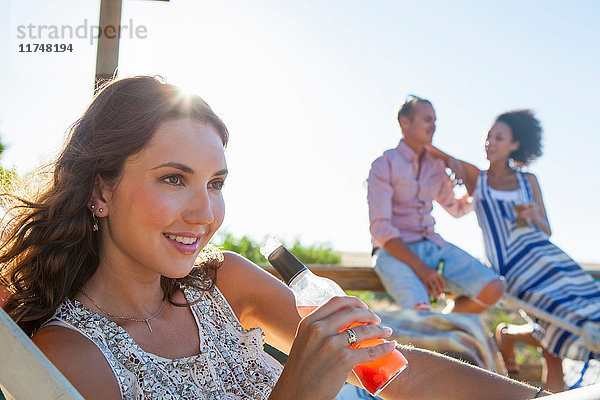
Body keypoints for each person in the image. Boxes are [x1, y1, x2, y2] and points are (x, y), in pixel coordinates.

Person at [0, 77, 546, 399]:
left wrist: (545, 399)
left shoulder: (225, 283)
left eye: (215, 184)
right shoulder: (70, 357)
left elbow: (392, 371)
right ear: (101, 191)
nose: (204, 212)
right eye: (174, 179)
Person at [425, 109, 600, 393]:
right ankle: (509, 339)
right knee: (557, 329)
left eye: (499, 138)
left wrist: (533, 216)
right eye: (488, 136)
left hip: (545, 257)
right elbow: (435, 153)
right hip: (514, 269)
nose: (490, 142)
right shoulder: (476, 178)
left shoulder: (528, 181)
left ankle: (508, 337)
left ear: (515, 145)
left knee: (577, 314)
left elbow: (546, 230)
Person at [367, 95, 505, 313]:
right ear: (405, 122)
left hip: (433, 245)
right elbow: (381, 229)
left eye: (435, 121)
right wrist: (422, 268)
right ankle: (432, 328)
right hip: (392, 252)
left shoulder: (436, 166)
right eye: (427, 120)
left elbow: (458, 209)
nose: (433, 126)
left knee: (495, 288)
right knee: (422, 311)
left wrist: (449, 159)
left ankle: (444, 324)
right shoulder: (383, 165)